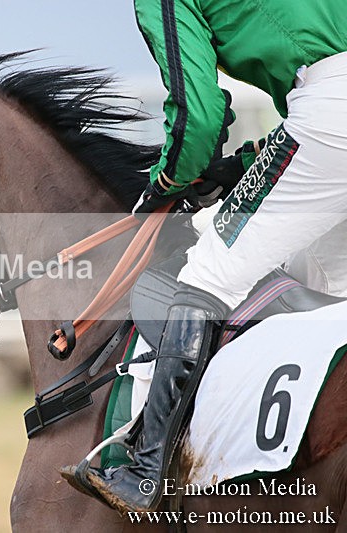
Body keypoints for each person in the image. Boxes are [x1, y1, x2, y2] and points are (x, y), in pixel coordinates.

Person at [71, 0, 347, 513]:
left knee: (207, 273)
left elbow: (197, 120)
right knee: (332, 297)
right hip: (328, 119)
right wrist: (241, 164)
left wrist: (168, 181)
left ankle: (146, 470)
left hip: (331, 117)